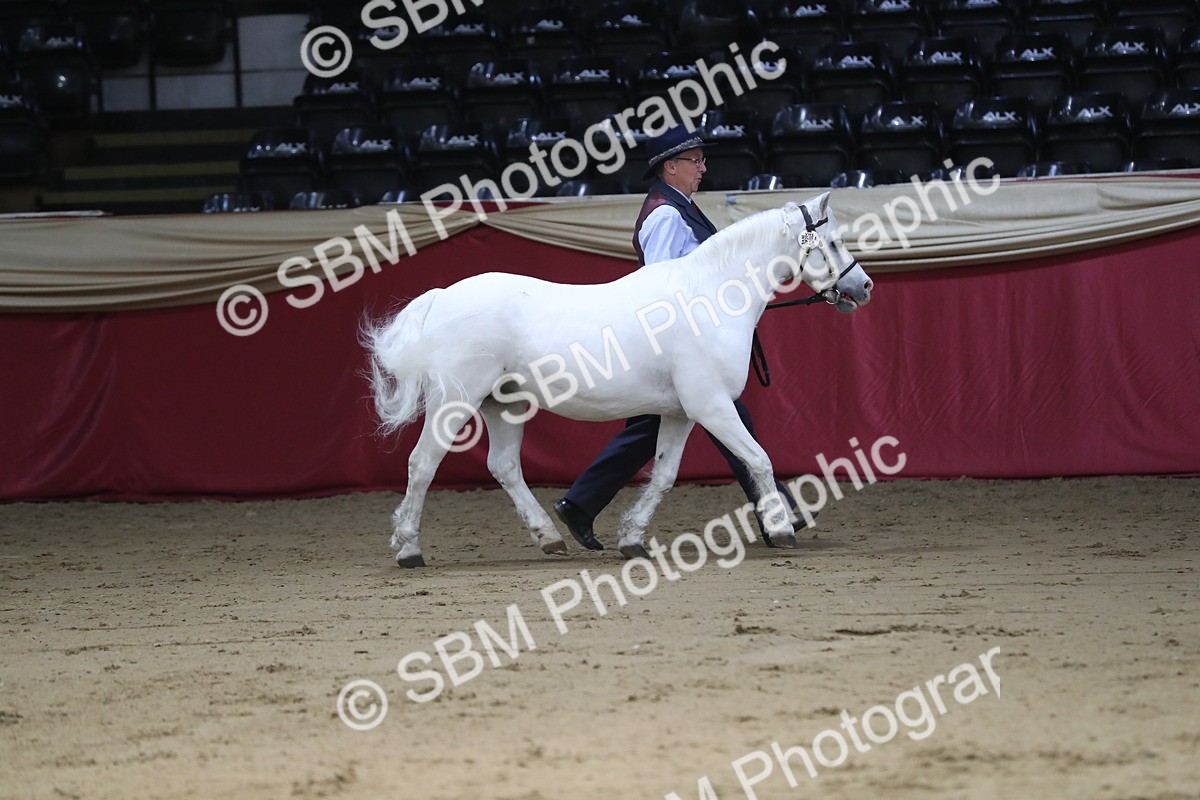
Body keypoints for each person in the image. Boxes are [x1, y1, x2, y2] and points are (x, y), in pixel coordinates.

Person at [552, 125, 803, 551]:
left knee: (666, 428)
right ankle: (773, 507)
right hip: (669, 344)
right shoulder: (666, 214)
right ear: (671, 167)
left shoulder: (682, 206)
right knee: (725, 420)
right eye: (695, 161)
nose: (703, 168)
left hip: (683, 344)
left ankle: (581, 503)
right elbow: (665, 283)